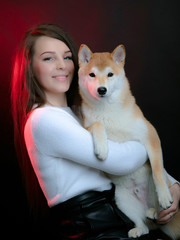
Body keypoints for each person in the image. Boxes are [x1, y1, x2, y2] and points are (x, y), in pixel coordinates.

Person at [11, 23, 180, 240]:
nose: (62, 65)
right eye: (48, 58)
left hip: (117, 215)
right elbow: (120, 161)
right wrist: (145, 138)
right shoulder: (44, 120)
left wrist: (172, 184)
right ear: (30, 67)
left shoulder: (78, 113)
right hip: (94, 228)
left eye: (67, 57)